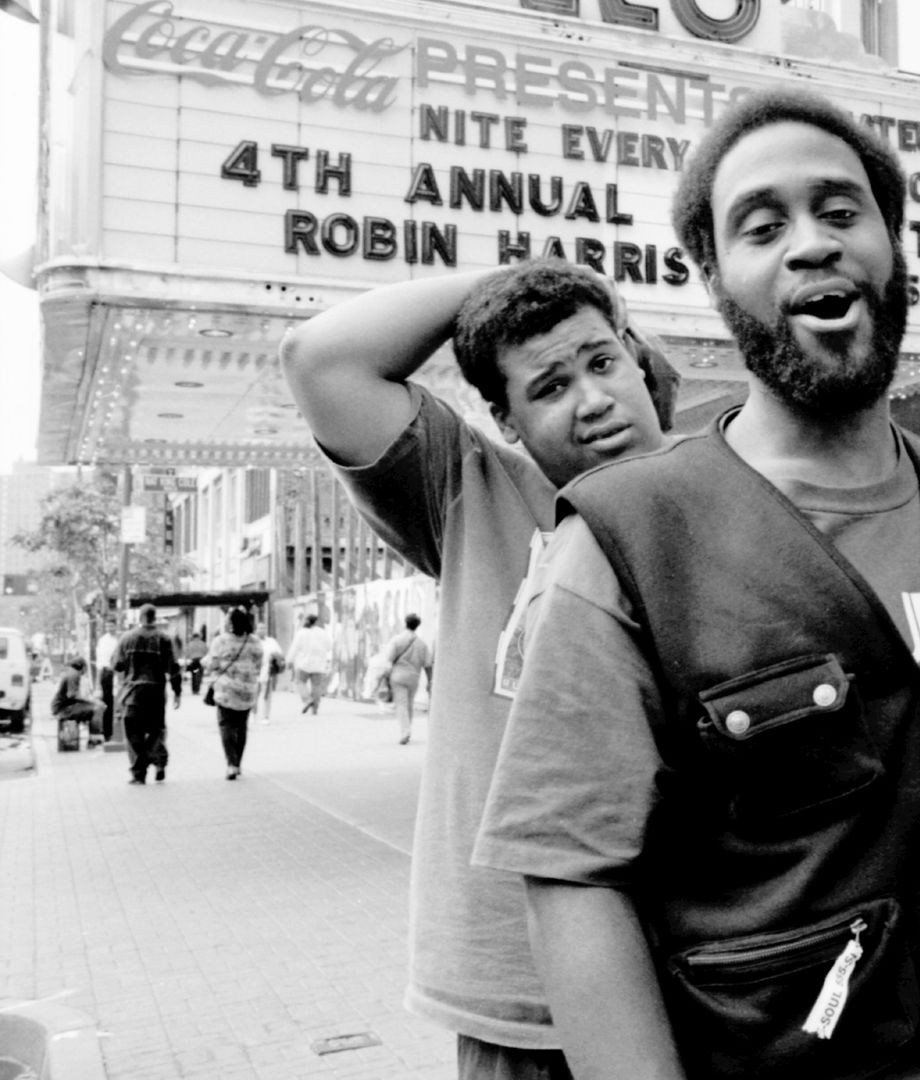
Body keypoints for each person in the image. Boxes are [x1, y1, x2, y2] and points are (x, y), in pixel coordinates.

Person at [473, 88, 920, 1080]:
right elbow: (576, 886)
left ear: (894, 245)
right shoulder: (628, 544)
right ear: (715, 281)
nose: (812, 243)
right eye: (763, 225)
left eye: (842, 212)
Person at [280, 257, 677, 1078]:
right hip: (518, 997)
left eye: (603, 362)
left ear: (638, 360)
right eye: (550, 386)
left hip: (702, 974)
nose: (594, 400)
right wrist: (522, 283)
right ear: (505, 418)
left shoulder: (725, 497)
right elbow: (321, 360)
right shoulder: (470, 487)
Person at [111, 604, 180, 784]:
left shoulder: (127, 638)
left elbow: (116, 664)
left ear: (140, 617)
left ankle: (139, 771)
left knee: (133, 732)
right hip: (156, 692)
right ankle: (158, 762)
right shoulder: (164, 639)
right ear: (154, 617)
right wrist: (177, 692)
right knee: (156, 731)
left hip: (133, 693)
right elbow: (173, 668)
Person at [203, 608, 265, 780]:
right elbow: (259, 663)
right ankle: (238, 764)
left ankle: (231, 764)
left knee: (226, 725)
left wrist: (205, 663)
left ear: (230, 623)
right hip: (248, 690)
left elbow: (213, 665)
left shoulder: (221, 641)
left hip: (226, 691)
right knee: (241, 726)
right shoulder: (254, 641)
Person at [382, 614, 433, 746]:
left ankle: (405, 731)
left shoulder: (397, 640)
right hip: (414, 677)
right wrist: (430, 681)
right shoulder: (422, 644)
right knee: (409, 704)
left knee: (401, 704)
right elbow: (428, 665)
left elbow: (389, 658)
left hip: (398, 676)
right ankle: (407, 729)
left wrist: (385, 674)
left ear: (406, 623)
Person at [50, 656, 99, 749]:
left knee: (89, 707)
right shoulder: (74, 674)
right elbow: (72, 695)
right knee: (95, 709)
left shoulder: (71, 673)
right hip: (63, 709)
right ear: (82, 667)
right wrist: (89, 701)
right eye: (85, 667)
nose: (86, 670)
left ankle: (92, 739)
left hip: (61, 707)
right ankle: (93, 740)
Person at [287, 613, 331, 714]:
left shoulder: (301, 633)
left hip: (303, 664)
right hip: (319, 665)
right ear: (316, 622)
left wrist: (289, 660)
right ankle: (315, 709)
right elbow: (329, 647)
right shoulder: (323, 633)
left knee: (299, 682)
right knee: (316, 686)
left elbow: (294, 648)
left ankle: (307, 701)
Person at [257, 630, 285, 724]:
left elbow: (279, 653)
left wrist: (275, 657)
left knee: (267, 694)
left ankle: (265, 716)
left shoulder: (271, 641)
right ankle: (253, 714)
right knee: (254, 694)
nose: (262, 630)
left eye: (263, 628)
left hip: (267, 670)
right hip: (255, 671)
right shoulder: (252, 641)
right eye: (259, 628)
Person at [182, 628, 209, 695]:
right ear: (199, 637)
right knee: (199, 676)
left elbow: (186, 654)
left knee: (194, 675)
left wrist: (185, 664)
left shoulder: (190, 644)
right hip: (200, 661)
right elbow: (207, 653)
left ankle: (194, 690)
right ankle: (197, 689)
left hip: (193, 662)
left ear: (193, 637)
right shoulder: (203, 644)